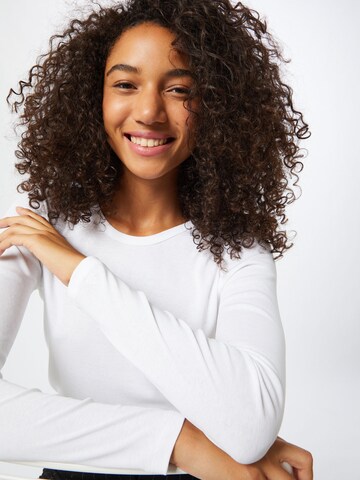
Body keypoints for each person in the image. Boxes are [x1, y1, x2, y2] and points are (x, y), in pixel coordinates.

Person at [0, 0, 313, 479]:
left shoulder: (238, 248)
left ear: (218, 106)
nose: (148, 111)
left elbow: (250, 425)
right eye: (125, 84)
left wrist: (80, 272)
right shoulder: (43, 225)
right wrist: (183, 443)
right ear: (94, 98)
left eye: (180, 90)